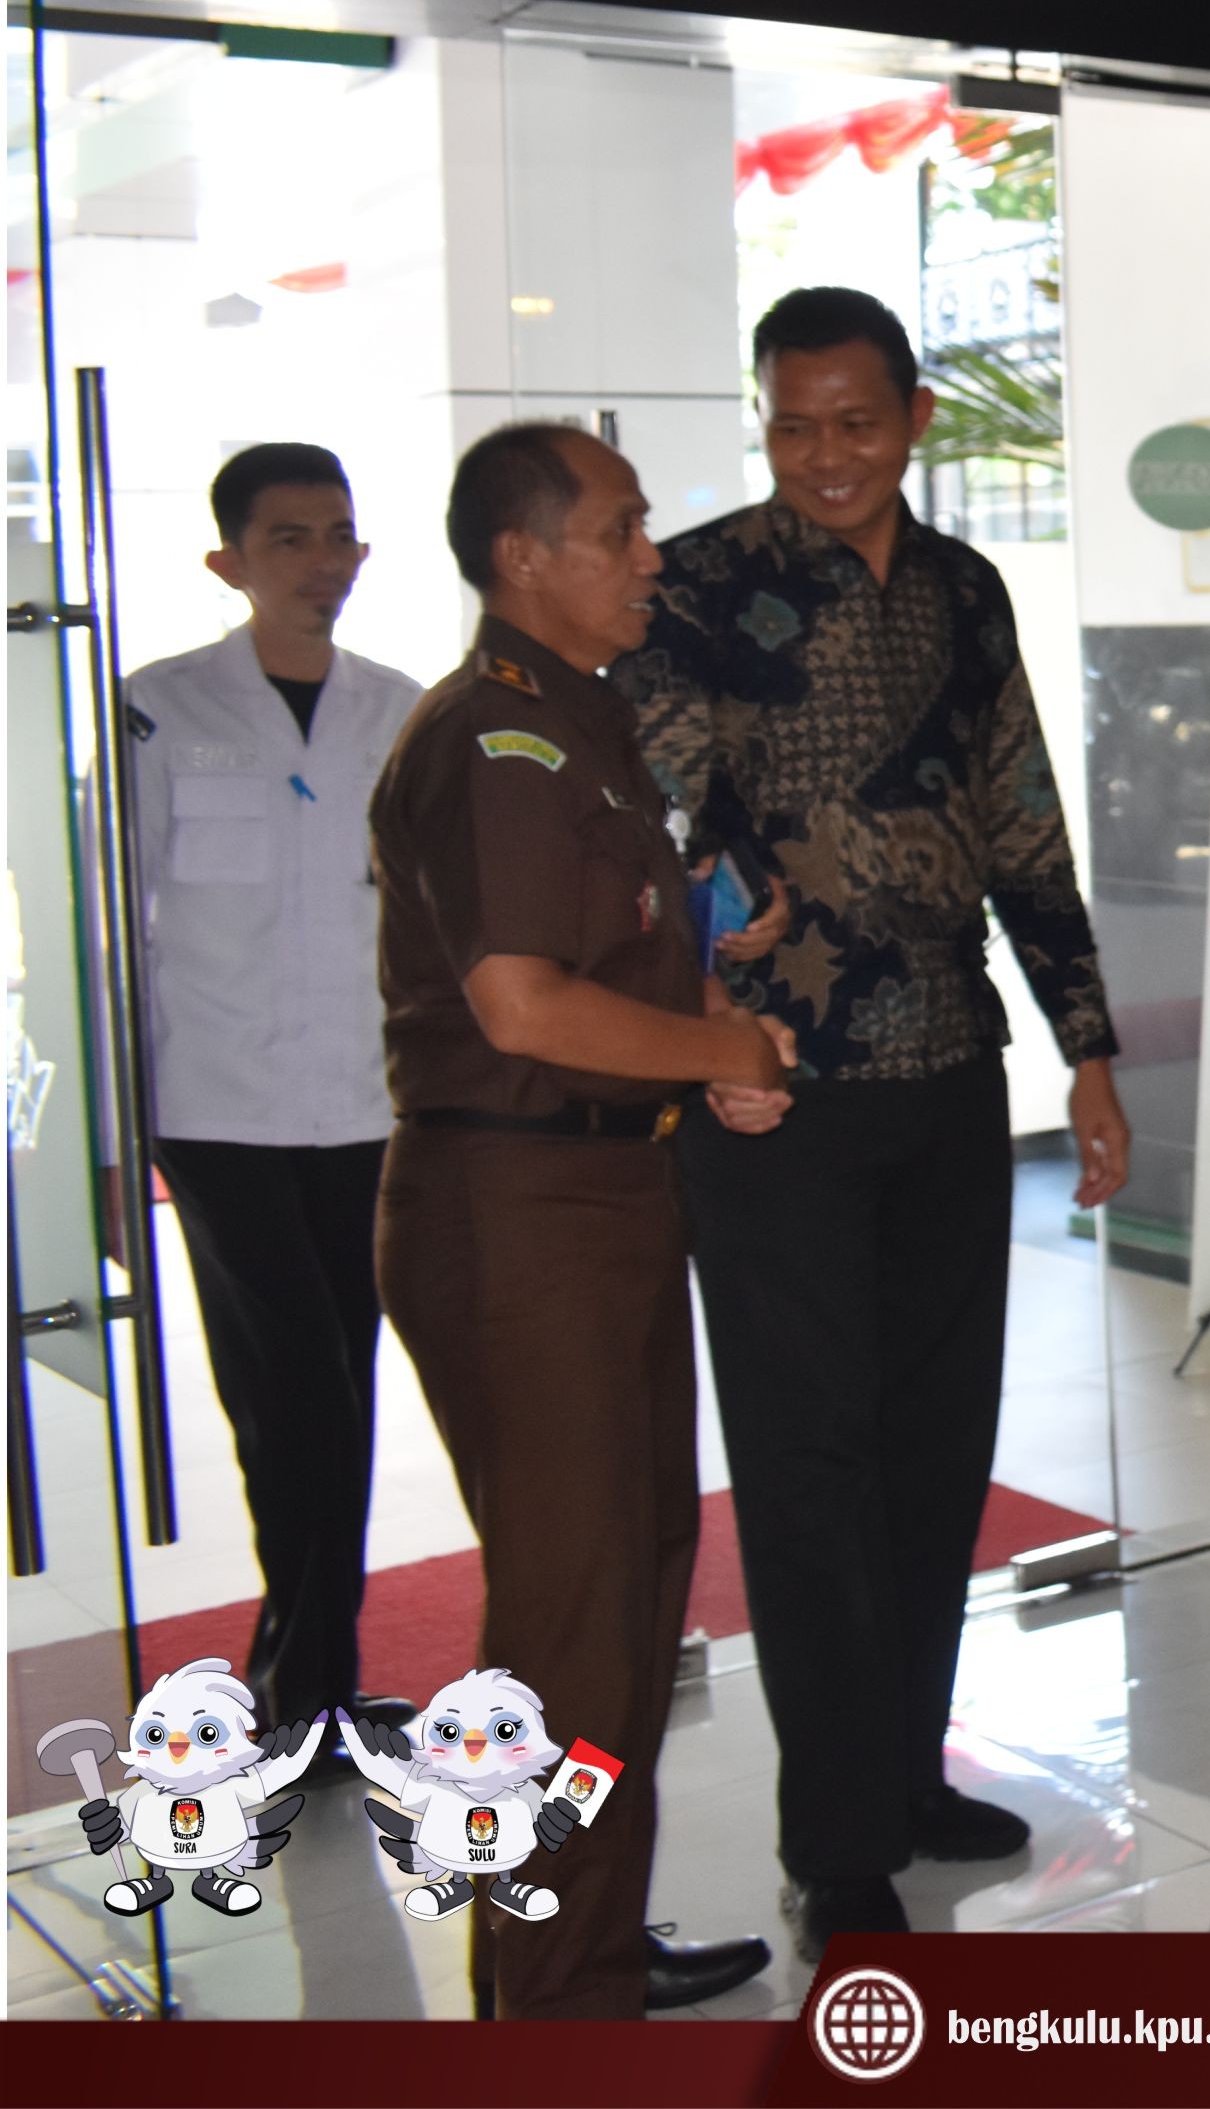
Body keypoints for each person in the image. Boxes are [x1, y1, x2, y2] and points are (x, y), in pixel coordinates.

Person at [612, 286, 1130, 1960]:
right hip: (772, 1091)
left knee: (933, 1442)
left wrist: (1088, 1046)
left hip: (949, 1068)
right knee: (809, 1461)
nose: (824, 454)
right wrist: (716, 922)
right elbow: (651, 813)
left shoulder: (968, 590)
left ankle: (909, 1771)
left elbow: (1024, 818)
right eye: (792, 424)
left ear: (914, 416)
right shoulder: (695, 585)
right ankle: (835, 1835)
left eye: (854, 421)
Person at [369, 421, 788, 2016]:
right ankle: (549, 2007)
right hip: (516, 1207)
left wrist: (710, 1035)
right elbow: (524, 1005)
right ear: (521, 556)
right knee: (569, 1622)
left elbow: (604, 970)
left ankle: (590, 1946)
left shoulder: (581, 719)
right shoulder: (498, 739)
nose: (650, 556)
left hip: (599, 1193)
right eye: (618, 529)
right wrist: (720, 1052)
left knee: (623, 1599)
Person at [125, 445, 420, 1754]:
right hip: (219, 1106)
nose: (322, 561)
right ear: (228, 560)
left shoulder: (401, 710)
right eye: (289, 537)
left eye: (339, 534)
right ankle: (308, 1680)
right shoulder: (156, 710)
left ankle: (312, 1679)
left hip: (364, 1104)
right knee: (294, 1388)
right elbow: (110, 924)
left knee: (332, 1383)